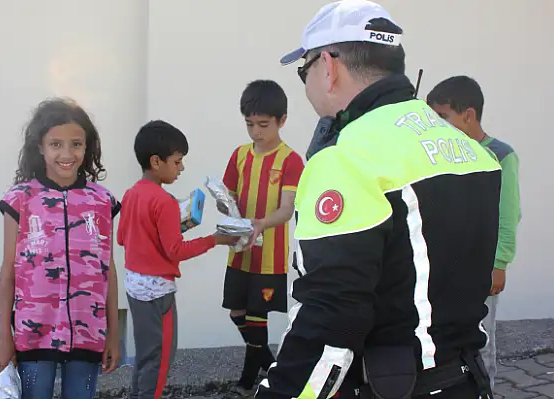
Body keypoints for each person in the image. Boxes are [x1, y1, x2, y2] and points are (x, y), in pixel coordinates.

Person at [255, 1, 502, 398]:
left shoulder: (346, 158)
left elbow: (331, 322)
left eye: (305, 70)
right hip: (467, 380)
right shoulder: (469, 148)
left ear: (330, 66)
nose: (305, 84)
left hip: (395, 386)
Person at [0, 98, 122, 399]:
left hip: (88, 331)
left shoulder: (102, 201)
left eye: (76, 144)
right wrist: (4, 336)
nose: (66, 154)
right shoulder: (20, 199)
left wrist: (114, 333)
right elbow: (8, 271)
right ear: (40, 147)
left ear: (87, 148)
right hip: (34, 334)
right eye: (56, 144)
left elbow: (107, 270)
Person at [117, 120, 239, 399]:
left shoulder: (131, 194)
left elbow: (123, 238)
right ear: (156, 161)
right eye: (178, 161)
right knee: (161, 360)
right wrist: (215, 240)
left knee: (145, 357)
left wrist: (166, 230)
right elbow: (176, 251)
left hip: (135, 288)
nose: (181, 168)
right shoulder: (165, 202)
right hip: (159, 292)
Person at [427, 75, 522, 388]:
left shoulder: (500, 155)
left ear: (468, 115)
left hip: (481, 269)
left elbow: (508, 215)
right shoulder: (438, 153)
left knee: (481, 341)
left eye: (442, 117)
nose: (436, 125)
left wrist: (499, 264)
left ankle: (485, 389)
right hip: (443, 267)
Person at [220, 80, 305, 398]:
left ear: (282, 121)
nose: (256, 132)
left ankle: (246, 382)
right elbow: (228, 195)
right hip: (239, 250)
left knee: (257, 317)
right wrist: (223, 204)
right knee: (237, 313)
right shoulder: (240, 155)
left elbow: (286, 210)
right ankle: (270, 366)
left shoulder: (290, 161)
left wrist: (261, 223)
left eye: (263, 125)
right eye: (250, 124)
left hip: (269, 254)